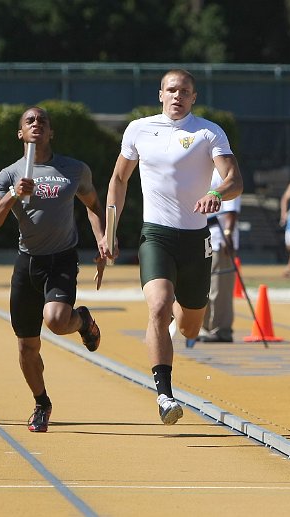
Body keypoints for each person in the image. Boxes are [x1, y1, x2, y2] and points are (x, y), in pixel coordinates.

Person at [100, 69, 243, 425]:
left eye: (185, 91)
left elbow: (234, 181)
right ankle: (165, 394)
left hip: (195, 240)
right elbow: (119, 178)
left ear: (194, 97)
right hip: (156, 235)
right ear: (160, 94)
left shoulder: (208, 132)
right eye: (171, 90)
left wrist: (215, 194)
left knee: (191, 325)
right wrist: (110, 231)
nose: (177, 96)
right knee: (159, 307)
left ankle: (183, 318)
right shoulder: (139, 130)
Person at [0, 106, 106, 433]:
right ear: (20, 133)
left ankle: (82, 320)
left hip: (62, 258)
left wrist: (103, 240)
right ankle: (42, 402)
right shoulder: (9, 175)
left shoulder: (73, 169)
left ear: (51, 133)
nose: (36, 124)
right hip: (28, 263)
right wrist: (12, 194)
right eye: (29, 121)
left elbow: (93, 204)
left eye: (43, 121)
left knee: (55, 320)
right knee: (26, 347)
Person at [194, 169, 241, 343]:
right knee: (203, 286)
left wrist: (228, 234)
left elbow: (232, 209)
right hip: (201, 236)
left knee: (219, 287)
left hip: (219, 238)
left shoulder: (224, 174)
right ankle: (204, 327)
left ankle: (221, 329)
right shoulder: (199, 169)